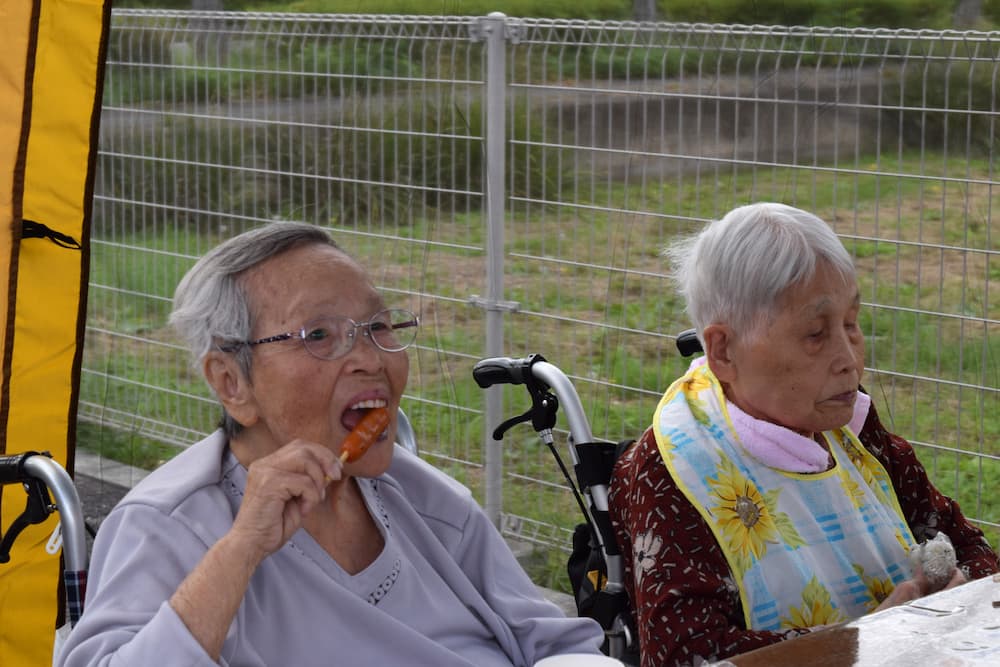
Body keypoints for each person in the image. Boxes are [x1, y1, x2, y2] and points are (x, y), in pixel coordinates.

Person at [58, 222, 603, 666]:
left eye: (380, 325)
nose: (370, 357)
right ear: (231, 383)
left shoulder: (426, 502)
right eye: (318, 335)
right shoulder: (168, 525)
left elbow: (556, 645)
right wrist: (242, 547)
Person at [608, 203, 999, 667]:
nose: (848, 358)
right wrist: (868, 639)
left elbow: (967, 545)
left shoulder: (848, 429)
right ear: (724, 350)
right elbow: (687, 656)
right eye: (815, 333)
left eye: (851, 324)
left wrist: (958, 590)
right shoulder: (672, 469)